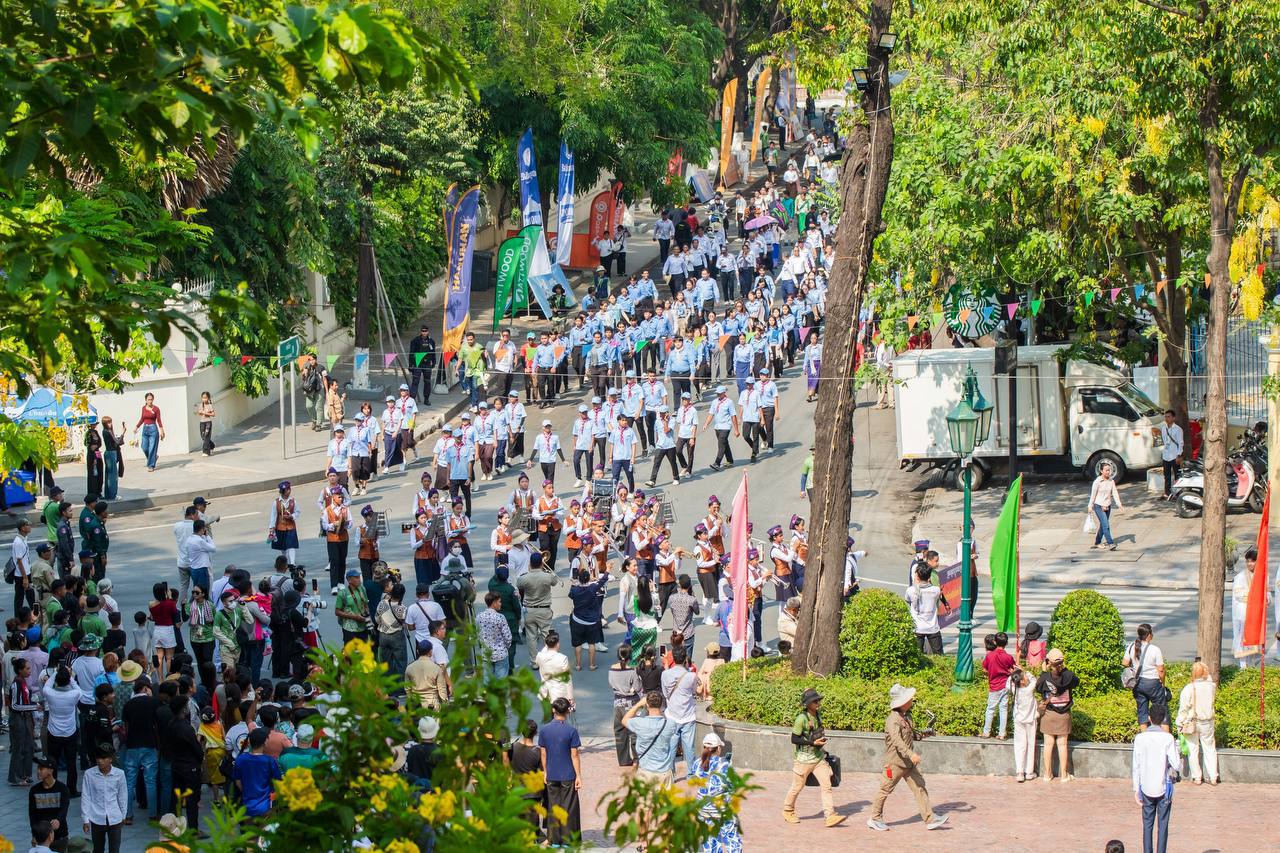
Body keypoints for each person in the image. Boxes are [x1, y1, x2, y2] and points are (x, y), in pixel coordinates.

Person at [867, 683, 947, 832]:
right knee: (885, 789)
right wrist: (911, 754)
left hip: (908, 763)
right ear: (902, 702)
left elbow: (911, 735)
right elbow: (897, 741)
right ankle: (875, 818)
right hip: (895, 763)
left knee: (919, 787)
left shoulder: (907, 716)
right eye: (909, 698)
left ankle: (930, 818)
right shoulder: (892, 720)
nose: (911, 700)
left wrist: (925, 734)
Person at [781, 688, 843, 827]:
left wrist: (821, 744)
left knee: (826, 785)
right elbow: (794, 739)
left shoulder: (818, 715)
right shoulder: (801, 719)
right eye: (815, 701)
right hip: (803, 760)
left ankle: (830, 815)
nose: (818, 703)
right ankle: (788, 811)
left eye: (818, 700)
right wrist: (812, 743)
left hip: (818, 758)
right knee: (797, 787)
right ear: (808, 704)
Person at [1132, 704, 1179, 853]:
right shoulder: (1168, 738)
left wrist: (1136, 788)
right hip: (1164, 787)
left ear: (1149, 718)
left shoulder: (1140, 738)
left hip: (1145, 786)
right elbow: (1176, 764)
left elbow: (1136, 765)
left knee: (1147, 824)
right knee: (1163, 825)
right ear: (1163, 718)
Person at [538, 697, 582, 847]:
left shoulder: (544, 730)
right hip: (568, 774)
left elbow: (543, 754)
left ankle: (555, 840)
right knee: (569, 807)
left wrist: (545, 772)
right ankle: (568, 840)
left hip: (552, 773)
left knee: (553, 806)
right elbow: (574, 755)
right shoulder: (571, 731)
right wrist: (578, 775)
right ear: (568, 711)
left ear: (553, 710)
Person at [690, 732, 743, 852]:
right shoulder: (724, 765)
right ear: (718, 748)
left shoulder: (696, 764)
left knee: (710, 844)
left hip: (704, 812)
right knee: (733, 843)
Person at [1036, 648, 1079, 782]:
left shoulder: (1045, 677)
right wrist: (1064, 668)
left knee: (1048, 745)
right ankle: (1064, 775)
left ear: (1048, 662)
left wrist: (1044, 671)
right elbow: (1076, 682)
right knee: (1062, 745)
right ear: (1063, 662)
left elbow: (1038, 688)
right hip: (1064, 714)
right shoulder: (1069, 676)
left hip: (1049, 714)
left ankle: (1047, 774)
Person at [1176, 660, 1218, 785]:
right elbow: (1210, 681)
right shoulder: (1212, 687)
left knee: (1193, 749)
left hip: (1192, 722)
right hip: (1208, 722)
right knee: (1210, 748)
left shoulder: (1189, 688)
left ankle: (1197, 777)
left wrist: (1180, 722)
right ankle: (1213, 776)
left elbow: (1183, 709)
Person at [621, 691, 677, 786]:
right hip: (665, 772)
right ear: (661, 704)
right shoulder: (671, 724)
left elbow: (624, 720)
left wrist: (638, 704)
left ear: (647, 704)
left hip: (646, 772)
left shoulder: (640, 723)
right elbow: (664, 720)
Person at [81, 746, 127, 853]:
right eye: (98, 758)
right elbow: (86, 797)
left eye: (103, 758)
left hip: (115, 818)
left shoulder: (120, 774)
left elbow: (122, 796)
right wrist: (85, 819)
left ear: (110, 759)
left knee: (114, 850)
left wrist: (123, 815)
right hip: (96, 817)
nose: (99, 761)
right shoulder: (89, 774)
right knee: (97, 850)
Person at [1123, 623, 1168, 730]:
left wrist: (1134, 666)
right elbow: (1161, 670)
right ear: (1148, 635)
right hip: (1153, 684)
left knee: (1142, 712)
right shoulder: (1155, 649)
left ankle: (1144, 736)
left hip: (1138, 683)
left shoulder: (1131, 646)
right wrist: (1163, 683)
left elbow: (1124, 662)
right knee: (1161, 711)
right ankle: (1166, 736)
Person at [233, 727, 283, 820]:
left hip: (246, 807)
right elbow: (277, 784)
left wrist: (247, 792)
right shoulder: (270, 761)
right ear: (264, 742)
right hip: (266, 807)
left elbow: (238, 782)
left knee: (249, 829)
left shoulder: (240, 759)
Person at [608, 645, 642, 769]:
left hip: (618, 704)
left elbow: (611, 684)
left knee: (619, 732)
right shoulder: (632, 671)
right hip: (631, 704)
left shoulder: (612, 669)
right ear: (630, 656)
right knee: (634, 732)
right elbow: (638, 687)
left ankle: (623, 760)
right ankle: (637, 758)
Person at [568, 568, 609, 671]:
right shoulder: (592, 588)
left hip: (577, 620)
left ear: (579, 579)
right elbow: (602, 581)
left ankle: (578, 665)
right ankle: (591, 665)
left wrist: (573, 584)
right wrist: (607, 570)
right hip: (591, 621)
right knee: (591, 643)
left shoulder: (575, 589)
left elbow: (570, 595)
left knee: (578, 644)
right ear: (588, 579)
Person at [28, 757, 71, 852]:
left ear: (50, 771)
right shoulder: (34, 790)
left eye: (41, 769)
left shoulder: (62, 788)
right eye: (38, 768)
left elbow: (64, 809)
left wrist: (58, 820)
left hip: (59, 837)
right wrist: (34, 835)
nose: (38, 771)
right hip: (41, 839)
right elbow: (32, 815)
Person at [981, 632, 1015, 739]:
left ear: (995, 642)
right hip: (1005, 685)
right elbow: (1013, 668)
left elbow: (984, 669)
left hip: (994, 686)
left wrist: (991, 671)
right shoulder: (1008, 657)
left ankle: (986, 732)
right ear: (1007, 643)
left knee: (990, 709)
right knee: (1003, 709)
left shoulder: (989, 656)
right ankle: (1002, 733)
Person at [905, 563, 944, 655]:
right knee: (939, 655)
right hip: (933, 628)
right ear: (929, 577)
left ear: (917, 576)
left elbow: (907, 600)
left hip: (917, 628)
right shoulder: (936, 590)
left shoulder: (911, 590)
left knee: (916, 656)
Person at [1009, 666, 1038, 781]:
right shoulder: (1029, 689)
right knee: (1030, 745)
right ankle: (1029, 772)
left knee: (1019, 745)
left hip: (1018, 720)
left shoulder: (1014, 690)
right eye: (1024, 677)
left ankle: (1020, 772)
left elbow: (1008, 683)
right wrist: (1023, 670)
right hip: (1030, 721)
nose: (1026, 677)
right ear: (1021, 681)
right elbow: (1034, 679)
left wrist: (1013, 674)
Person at [476, 593, 513, 677]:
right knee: (501, 680)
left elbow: (478, 634)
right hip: (500, 653)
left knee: (487, 679)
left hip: (486, 654)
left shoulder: (479, 617)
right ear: (494, 603)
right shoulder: (500, 617)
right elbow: (508, 637)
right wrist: (505, 647)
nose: (501, 604)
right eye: (499, 601)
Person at [1088, 461, 1123, 550]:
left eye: (1109, 470)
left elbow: (1114, 493)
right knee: (1106, 525)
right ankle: (1111, 543)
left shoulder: (1111, 481)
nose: (1108, 472)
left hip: (1108, 506)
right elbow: (1093, 495)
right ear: (1101, 471)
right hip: (1098, 506)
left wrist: (1119, 504)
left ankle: (1097, 542)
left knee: (1103, 525)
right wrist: (1090, 506)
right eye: (1106, 470)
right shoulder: (1097, 482)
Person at [135, 392, 165, 471]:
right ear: (145, 400)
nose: (150, 401)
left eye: (151, 399)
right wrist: (137, 426)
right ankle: (154, 457)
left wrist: (162, 430)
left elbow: (159, 420)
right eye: (148, 399)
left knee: (152, 448)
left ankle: (151, 466)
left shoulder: (156, 409)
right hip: (145, 429)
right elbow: (142, 418)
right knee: (144, 447)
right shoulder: (143, 408)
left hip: (153, 429)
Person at [1158, 410, 1183, 498]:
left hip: (1174, 455)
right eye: (1165, 417)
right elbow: (1164, 441)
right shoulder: (1163, 428)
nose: (1166, 418)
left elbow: (1180, 443)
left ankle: (1178, 493)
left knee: (1177, 475)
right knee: (1166, 475)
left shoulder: (1178, 429)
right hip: (1166, 455)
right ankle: (1167, 493)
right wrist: (1163, 452)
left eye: (1168, 417)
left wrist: (1179, 455)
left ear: (1173, 418)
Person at [194, 391, 216, 456]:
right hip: (202, 422)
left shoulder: (210, 405)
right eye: (203, 398)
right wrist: (199, 412)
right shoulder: (201, 405)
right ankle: (212, 445)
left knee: (206, 436)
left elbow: (213, 414)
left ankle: (206, 452)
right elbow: (200, 413)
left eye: (205, 398)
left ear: (208, 398)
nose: (204, 399)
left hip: (208, 422)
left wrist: (205, 413)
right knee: (203, 437)